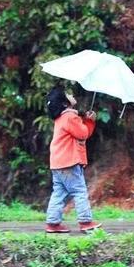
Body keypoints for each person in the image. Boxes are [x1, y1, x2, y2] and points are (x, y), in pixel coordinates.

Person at [44, 86, 101, 233]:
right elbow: (82, 134)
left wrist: (84, 119)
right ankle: (85, 222)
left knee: (59, 192)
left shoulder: (61, 118)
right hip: (68, 163)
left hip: (57, 163)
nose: (71, 94)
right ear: (65, 103)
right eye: (67, 94)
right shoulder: (70, 117)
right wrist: (90, 121)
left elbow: (75, 131)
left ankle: (53, 223)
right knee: (79, 191)